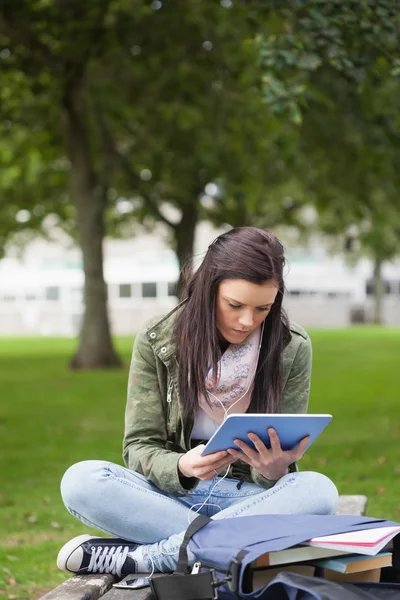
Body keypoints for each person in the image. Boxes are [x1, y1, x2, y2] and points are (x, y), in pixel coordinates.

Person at [57, 227, 338, 577]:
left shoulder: (291, 347)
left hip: (249, 498)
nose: (247, 321)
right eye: (234, 305)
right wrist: (182, 467)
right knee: (81, 480)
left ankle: (154, 556)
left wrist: (273, 470)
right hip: (172, 497)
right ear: (208, 290)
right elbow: (139, 447)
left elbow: (282, 470)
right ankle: (231, 546)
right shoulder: (158, 339)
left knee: (318, 492)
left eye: (262, 308)